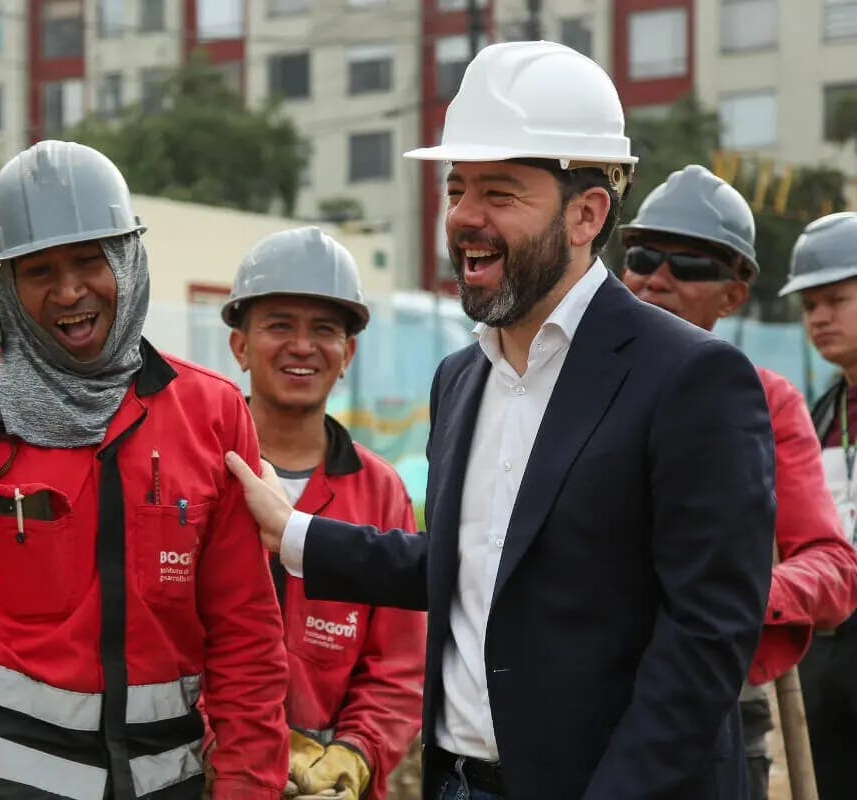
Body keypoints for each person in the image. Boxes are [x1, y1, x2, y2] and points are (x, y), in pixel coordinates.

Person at [225, 40, 776, 800]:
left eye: (501, 194)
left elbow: (709, 637)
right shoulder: (462, 380)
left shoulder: (691, 379)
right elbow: (473, 567)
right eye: (457, 189)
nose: (465, 220)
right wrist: (294, 534)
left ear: (587, 214)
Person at [0, 140, 290, 800]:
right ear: (8, 288)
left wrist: (249, 786)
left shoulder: (211, 415)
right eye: (38, 271)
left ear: (128, 260)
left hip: (159, 784)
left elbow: (246, 640)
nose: (70, 291)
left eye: (87, 261)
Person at [617, 166, 857, 800]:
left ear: (734, 293)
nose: (656, 279)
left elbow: (833, 568)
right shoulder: (554, 388)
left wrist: (726, 599)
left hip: (712, 707)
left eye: (690, 266)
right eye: (642, 256)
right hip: (570, 698)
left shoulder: (766, 405)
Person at [219, 227, 426, 800]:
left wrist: (355, 755)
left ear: (348, 354)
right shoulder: (200, 471)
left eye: (325, 330)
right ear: (240, 345)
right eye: (280, 325)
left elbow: (400, 665)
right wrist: (236, 743)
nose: (303, 346)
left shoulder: (381, 493)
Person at [778, 211, 857, 800]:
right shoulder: (822, 413)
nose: (819, 318)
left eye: (835, 299)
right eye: (809, 307)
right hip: (830, 649)